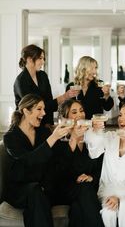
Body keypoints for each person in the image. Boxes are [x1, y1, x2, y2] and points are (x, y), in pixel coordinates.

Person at [3, 94, 74, 227]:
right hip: (19, 188)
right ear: (25, 111)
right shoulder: (11, 137)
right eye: (39, 109)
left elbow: (58, 157)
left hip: (43, 186)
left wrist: (73, 136)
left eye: (44, 109)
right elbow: (28, 160)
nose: (44, 113)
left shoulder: (43, 132)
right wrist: (53, 138)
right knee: (36, 192)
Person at [84, 102, 125, 227]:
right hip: (106, 191)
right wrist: (96, 131)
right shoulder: (110, 137)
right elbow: (94, 153)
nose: (121, 119)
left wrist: (119, 196)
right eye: (120, 115)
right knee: (108, 212)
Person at [54, 99, 104, 227]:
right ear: (66, 118)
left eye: (81, 111)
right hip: (66, 188)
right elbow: (59, 172)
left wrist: (91, 177)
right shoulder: (59, 140)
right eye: (74, 112)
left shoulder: (92, 137)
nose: (80, 115)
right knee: (84, 191)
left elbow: (102, 167)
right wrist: (74, 138)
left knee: (77, 209)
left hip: (88, 187)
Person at [14, 44, 78, 127]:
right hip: (27, 125)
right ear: (29, 59)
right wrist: (64, 96)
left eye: (43, 58)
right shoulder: (21, 81)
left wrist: (49, 124)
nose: (43, 62)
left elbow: (49, 100)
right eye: (40, 58)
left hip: (44, 123)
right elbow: (34, 108)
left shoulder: (43, 75)